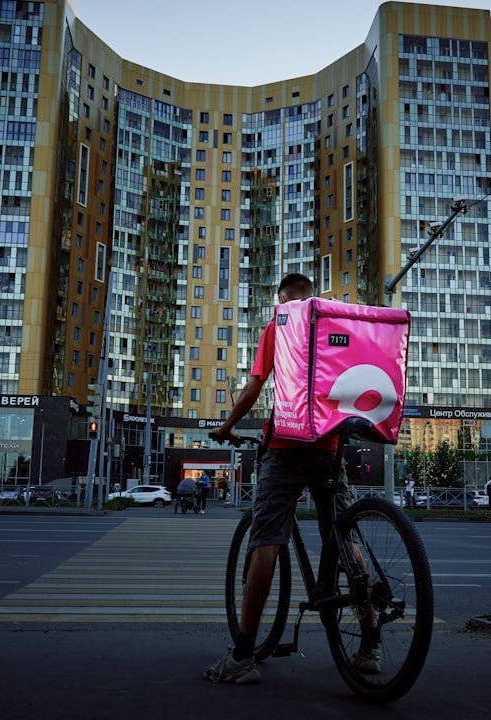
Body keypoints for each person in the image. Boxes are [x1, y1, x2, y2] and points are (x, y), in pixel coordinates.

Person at [204, 273, 380, 685]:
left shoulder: (278, 328)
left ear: (282, 301)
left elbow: (253, 389)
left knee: (266, 540)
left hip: (284, 448)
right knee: (344, 537)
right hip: (330, 449)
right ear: (312, 299)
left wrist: (226, 426)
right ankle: (370, 641)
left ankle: (242, 657)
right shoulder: (333, 331)